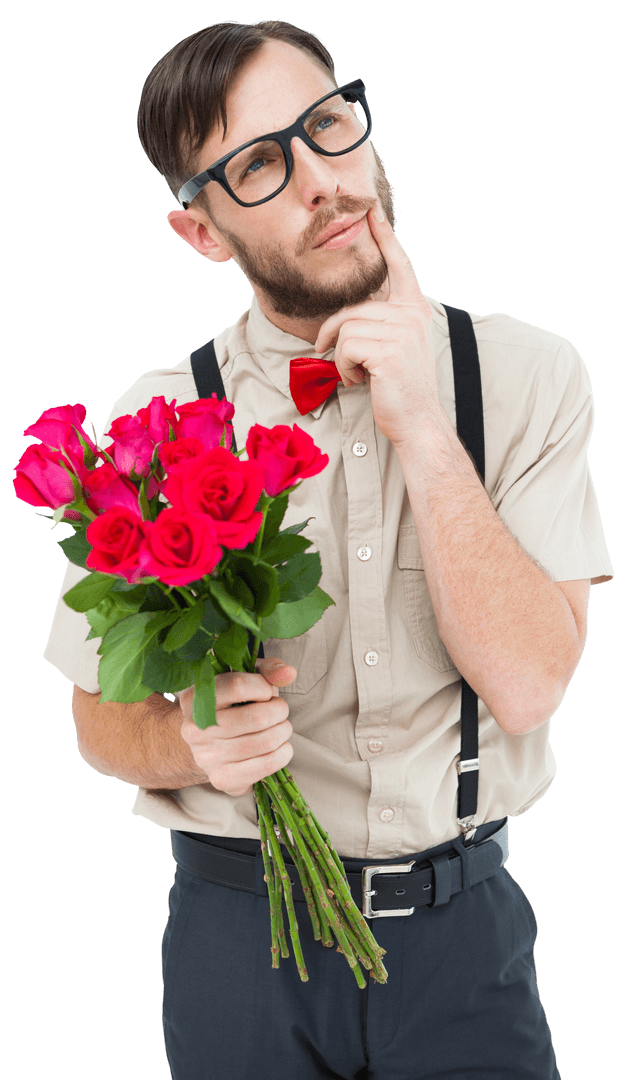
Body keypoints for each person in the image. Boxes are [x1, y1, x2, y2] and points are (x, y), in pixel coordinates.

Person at [43, 19, 614, 1080]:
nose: (321, 179)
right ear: (202, 233)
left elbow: (532, 685)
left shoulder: (529, 376)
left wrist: (425, 431)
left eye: (326, 125)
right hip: (239, 938)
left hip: (464, 937)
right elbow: (97, 719)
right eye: (260, 164)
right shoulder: (158, 418)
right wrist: (190, 745)